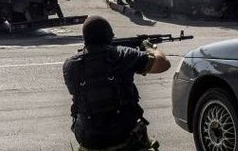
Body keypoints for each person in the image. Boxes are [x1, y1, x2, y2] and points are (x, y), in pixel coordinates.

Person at [63, 16, 170, 151]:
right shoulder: (122, 55)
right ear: (110, 35)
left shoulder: (70, 65)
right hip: (122, 136)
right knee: (150, 143)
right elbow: (163, 64)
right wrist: (150, 47)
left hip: (88, 140)